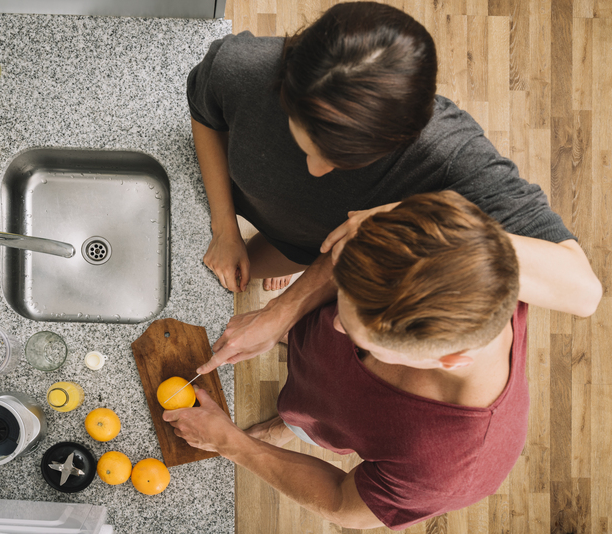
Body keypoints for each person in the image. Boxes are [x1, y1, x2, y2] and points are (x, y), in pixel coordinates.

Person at [189, 1, 600, 363]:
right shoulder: (243, 68)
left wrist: (419, 221)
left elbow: (582, 291)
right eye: (306, 142)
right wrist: (225, 228)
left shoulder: (448, 153)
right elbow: (204, 112)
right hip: (257, 211)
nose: (314, 170)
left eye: (344, 161)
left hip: (310, 247)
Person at [166, 191, 540, 529]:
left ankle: (292, 426)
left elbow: (343, 503)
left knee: (304, 424)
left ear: (449, 359)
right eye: (345, 299)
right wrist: (282, 313)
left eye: (362, 335)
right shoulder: (462, 248)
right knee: (305, 375)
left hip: (330, 417)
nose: (333, 326)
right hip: (312, 370)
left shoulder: (447, 471)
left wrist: (234, 444)